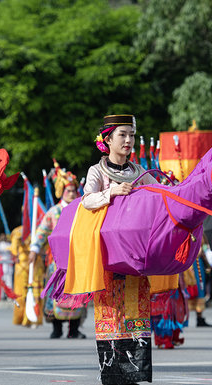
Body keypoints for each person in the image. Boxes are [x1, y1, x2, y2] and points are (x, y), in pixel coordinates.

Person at [83, 114, 158, 385]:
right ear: (108, 140)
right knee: (110, 313)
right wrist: (112, 193)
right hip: (108, 256)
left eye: (132, 135)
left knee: (136, 312)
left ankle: (135, 374)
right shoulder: (98, 171)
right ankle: (114, 376)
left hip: (136, 257)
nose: (128, 140)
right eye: (122, 135)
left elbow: (159, 197)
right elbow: (87, 201)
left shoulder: (140, 172)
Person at [28, 161, 84, 339]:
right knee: (56, 293)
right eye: (68, 191)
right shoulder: (53, 212)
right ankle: (57, 328)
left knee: (77, 293)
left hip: (78, 259)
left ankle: (74, 329)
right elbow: (42, 232)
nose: (72, 193)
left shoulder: (82, 210)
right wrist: (34, 249)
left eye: (74, 191)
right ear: (61, 192)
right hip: (57, 260)